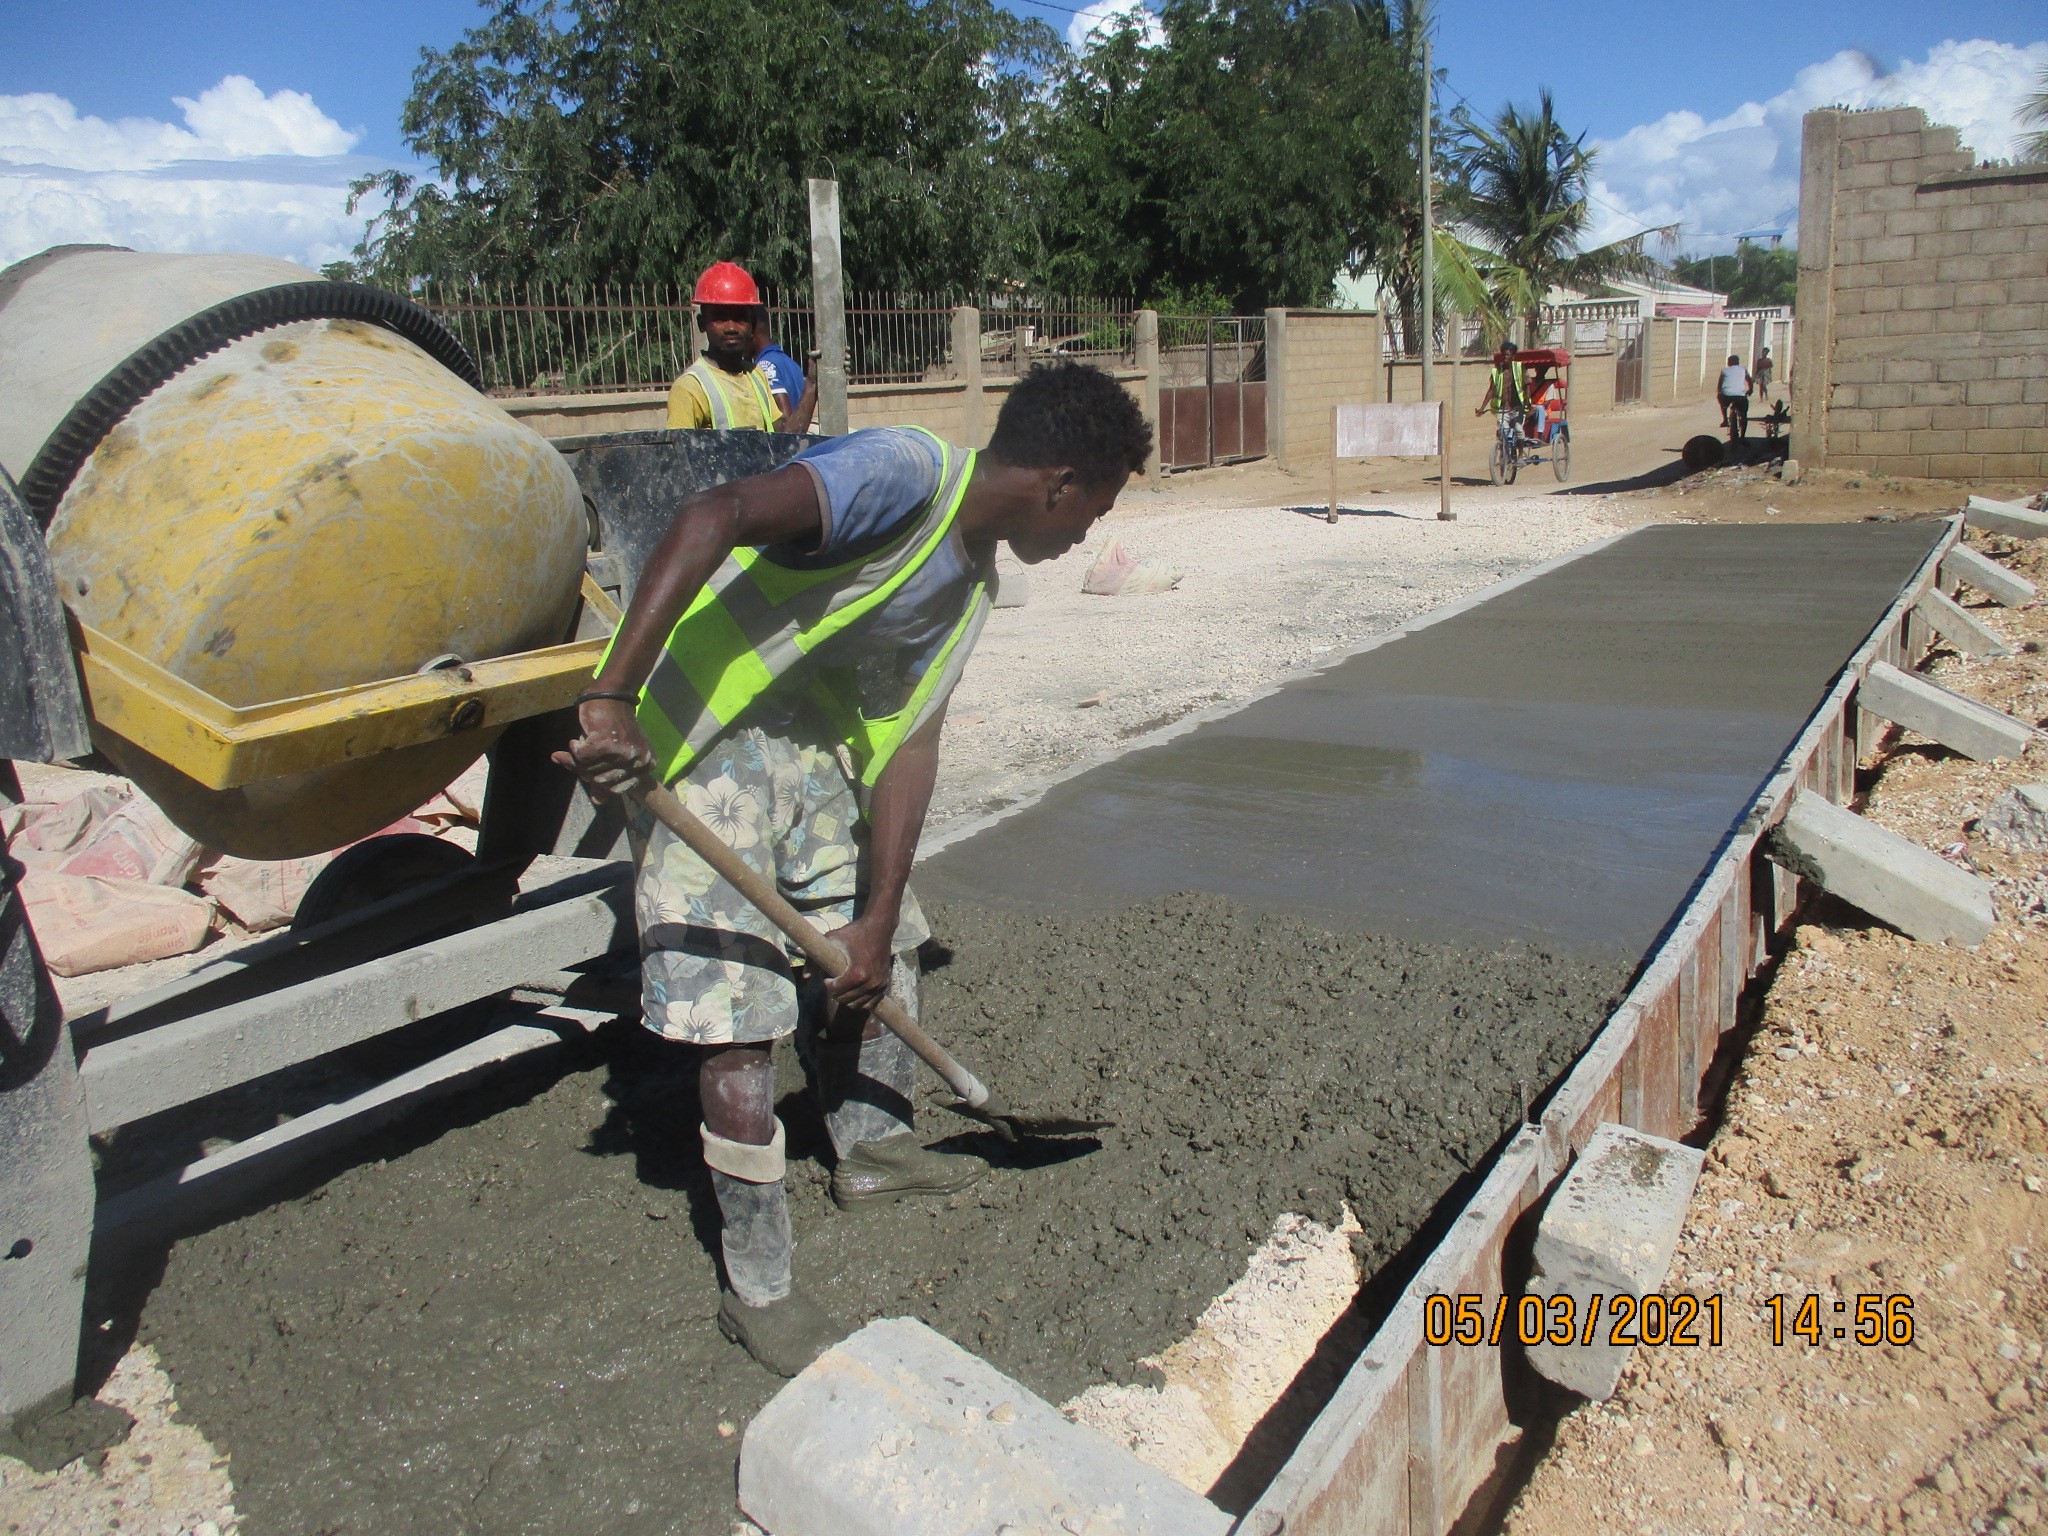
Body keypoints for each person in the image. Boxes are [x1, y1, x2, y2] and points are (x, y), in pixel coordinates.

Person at [556, 363, 1153, 1376]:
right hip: (705, 747)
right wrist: (611, 695)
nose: (1089, 532)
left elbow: (908, 744)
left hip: (814, 758)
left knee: (891, 949)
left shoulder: (971, 585)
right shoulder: (901, 473)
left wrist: (871, 920)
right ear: (1057, 480)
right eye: (1095, 506)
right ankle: (761, 1286)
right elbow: (711, 513)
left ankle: (870, 1151)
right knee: (737, 1020)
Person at [668, 261, 782, 432]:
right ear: (702, 324)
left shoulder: (756, 375)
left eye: (740, 318)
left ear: (752, 324)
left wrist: (811, 384)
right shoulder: (689, 388)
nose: (731, 328)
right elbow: (678, 455)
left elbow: (780, 437)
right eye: (720, 318)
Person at [753, 314, 818, 435]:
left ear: (752, 331)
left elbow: (785, 429)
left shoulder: (765, 366)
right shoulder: (789, 362)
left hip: (785, 447)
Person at [1477, 344, 1526, 432]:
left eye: (1507, 355)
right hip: (1502, 408)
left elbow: (1527, 385)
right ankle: (1501, 445)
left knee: (1518, 430)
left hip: (1517, 407)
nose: (1505, 357)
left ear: (1513, 356)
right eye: (1503, 355)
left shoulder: (1519, 368)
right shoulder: (1496, 371)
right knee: (1503, 431)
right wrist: (1482, 408)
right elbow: (1491, 390)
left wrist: (1527, 404)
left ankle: (1520, 446)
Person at [1718, 353, 1751, 435]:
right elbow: (1749, 381)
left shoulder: (1724, 370)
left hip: (1726, 395)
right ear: (1738, 362)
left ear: (1728, 363)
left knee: (1723, 404)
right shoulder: (1743, 369)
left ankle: (1725, 420)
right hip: (1740, 395)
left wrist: (1719, 393)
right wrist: (1750, 390)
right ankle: (1743, 436)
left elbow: (1720, 383)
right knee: (1743, 415)